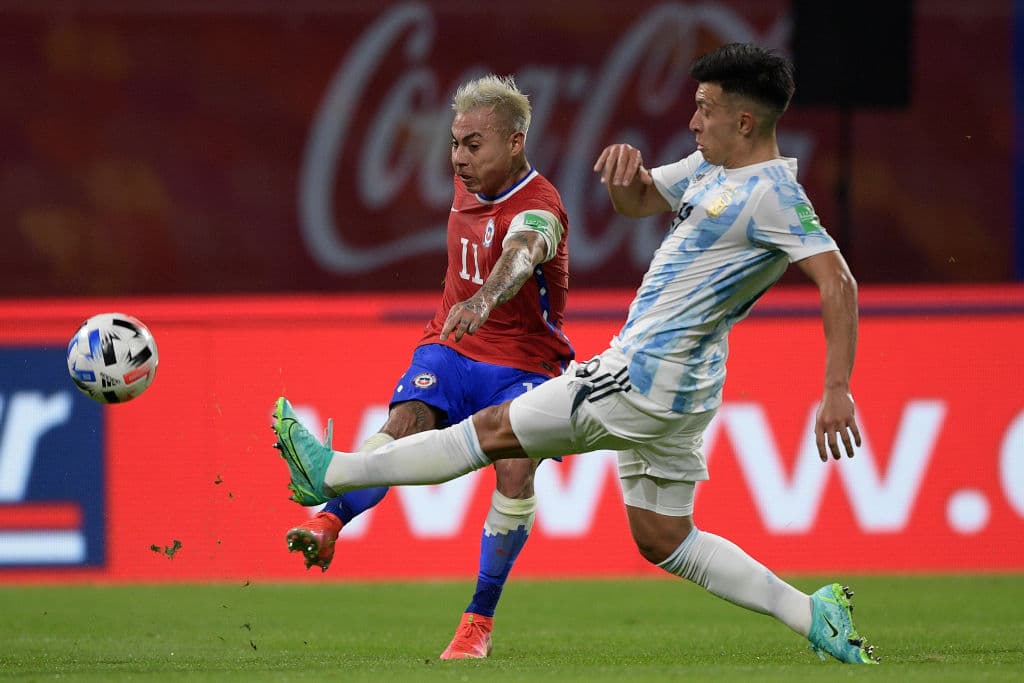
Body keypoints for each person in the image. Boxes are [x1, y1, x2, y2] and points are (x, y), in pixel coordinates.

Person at [272, 43, 879, 664]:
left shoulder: (773, 196)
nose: (693, 122)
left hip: (642, 375)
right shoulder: (709, 168)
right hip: (686, 386)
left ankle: (335, 473)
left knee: (494, 432)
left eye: (704, 108)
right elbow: (639, 200)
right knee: (663, 537)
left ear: (744, 121)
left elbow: (838, 283)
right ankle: (813, 612)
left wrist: (836, 389)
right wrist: (627, 175)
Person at [281, 74, 574, 660]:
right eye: (454, 142)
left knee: (515, 473)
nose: (458, 159)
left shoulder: (540, 207)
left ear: (516, 143)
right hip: (452, 346)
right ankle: (329, 519)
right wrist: (466, 312)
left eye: (473, 145)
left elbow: (520, 252)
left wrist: (483, 300)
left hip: (525, 363)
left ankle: (478, 622)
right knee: (405, 423)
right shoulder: (472, 179)